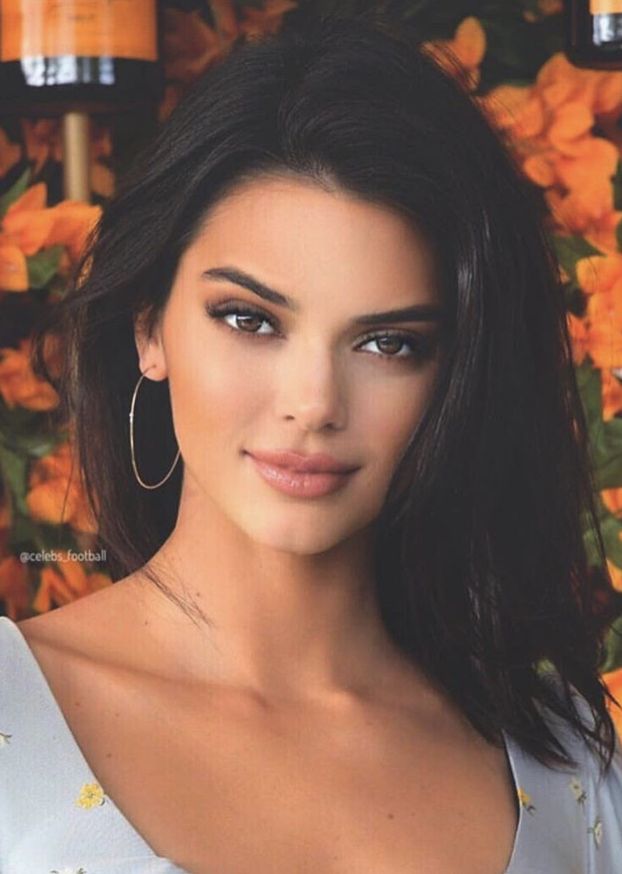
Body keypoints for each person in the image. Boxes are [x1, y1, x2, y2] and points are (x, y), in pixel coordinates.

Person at [0, 9, 620, 874]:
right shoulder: (13, 721)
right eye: (249, 319)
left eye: (388, 343)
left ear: (454, 372)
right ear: (151, 330)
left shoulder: (569, 763)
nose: (313, 403)